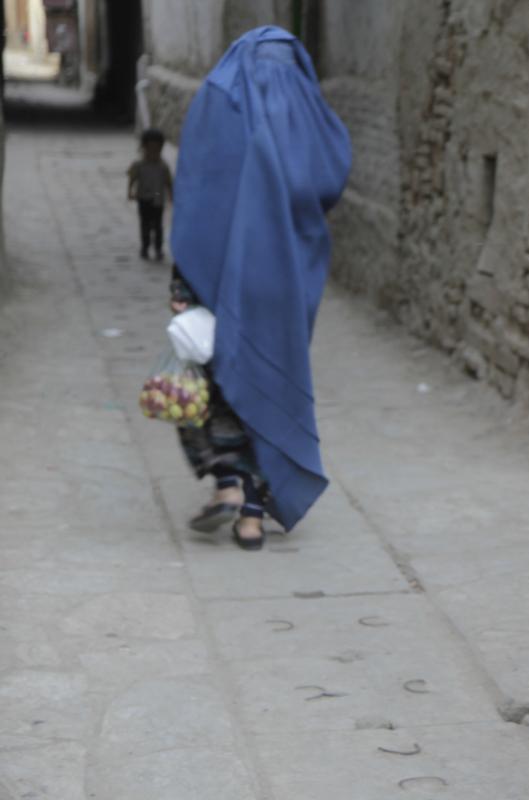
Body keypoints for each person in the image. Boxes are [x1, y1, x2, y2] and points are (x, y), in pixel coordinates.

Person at [168, 26, 351, 550]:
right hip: (287, 281)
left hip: (217, 276)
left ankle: (228, 484)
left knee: (218, 384)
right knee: (270, 380)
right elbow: (331, 176)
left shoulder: (219, 101)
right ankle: (252, 515)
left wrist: (184, 285)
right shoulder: (306, 108)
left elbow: (195, 198)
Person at [127, 128, 172, 261]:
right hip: (143, 199)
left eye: (156, 149)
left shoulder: (163, 166)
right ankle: (145, 247)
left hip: (158, 199)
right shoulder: (138, 165)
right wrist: (129, 192)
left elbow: (168, 182)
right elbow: (132, 178)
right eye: (150, 148)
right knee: (145, 224)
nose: (153, 152)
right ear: (144, 147)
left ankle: (158, 248)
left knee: (158, 225)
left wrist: (171, 195)